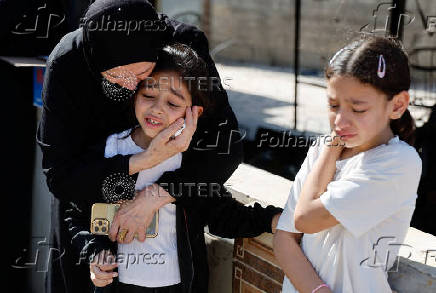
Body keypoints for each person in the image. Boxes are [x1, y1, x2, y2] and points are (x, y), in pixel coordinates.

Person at [36, 1, 249, 292]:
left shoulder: (182, 45)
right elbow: (60, 176)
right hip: (89, 216)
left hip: (171, 228)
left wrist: (154, 196)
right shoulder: (68, 62)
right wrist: (141, 161)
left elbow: (226, 147)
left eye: (141, 77)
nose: (130, 89)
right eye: (115, 78)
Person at [66, 43, 282, 293]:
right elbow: (79, 214)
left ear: (194, 113)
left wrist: (277, 220)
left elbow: (223, 215)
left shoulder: (191, 165)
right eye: (148, 95)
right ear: (134, 93)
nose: (157, 108)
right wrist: (96, 253)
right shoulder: (111, 151)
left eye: (173, 103)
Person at [273, 36, 422, 293]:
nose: (341, 122)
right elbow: (285, 237)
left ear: (397, 105)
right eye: (333, 105)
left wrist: (330, 150)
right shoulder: (323, 148)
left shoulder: (399, 162)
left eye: (358, 109)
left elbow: (306, 219)